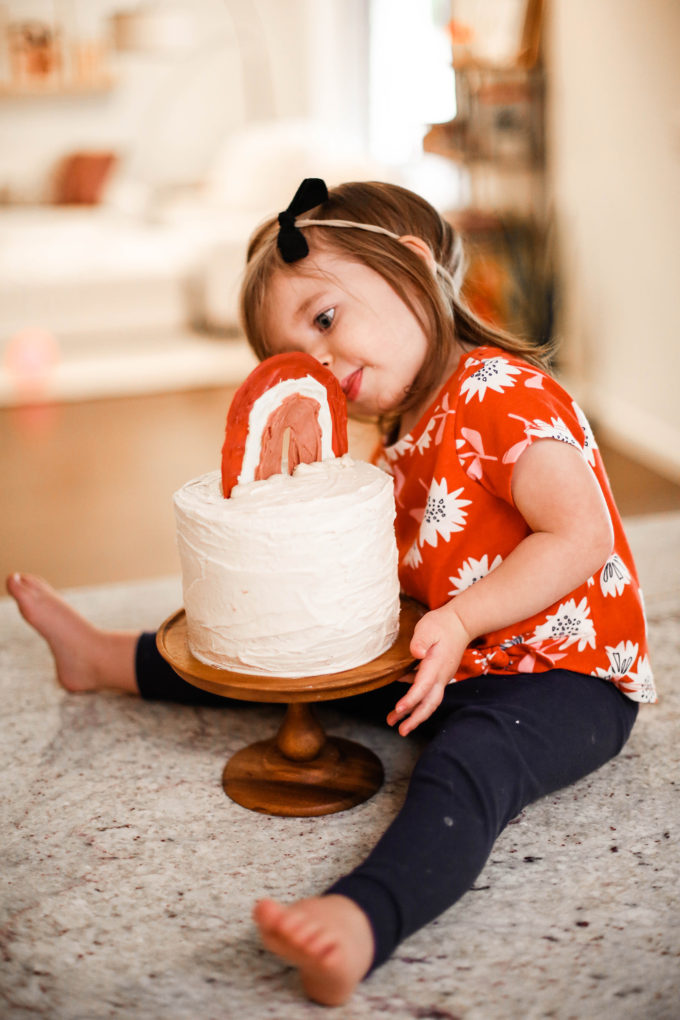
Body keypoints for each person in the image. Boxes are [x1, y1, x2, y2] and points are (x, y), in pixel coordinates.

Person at [6, 178, 656, 1007]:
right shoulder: (403, 434)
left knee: (470, 766)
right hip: (448, 654)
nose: (322, 367)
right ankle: (110, 660)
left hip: (558, 674)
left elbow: (581, 535)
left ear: (415, 268)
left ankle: (361, 919)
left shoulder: (502, 394)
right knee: (293, 652)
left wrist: (461, 619)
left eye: (326, 319)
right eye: (298, 356)